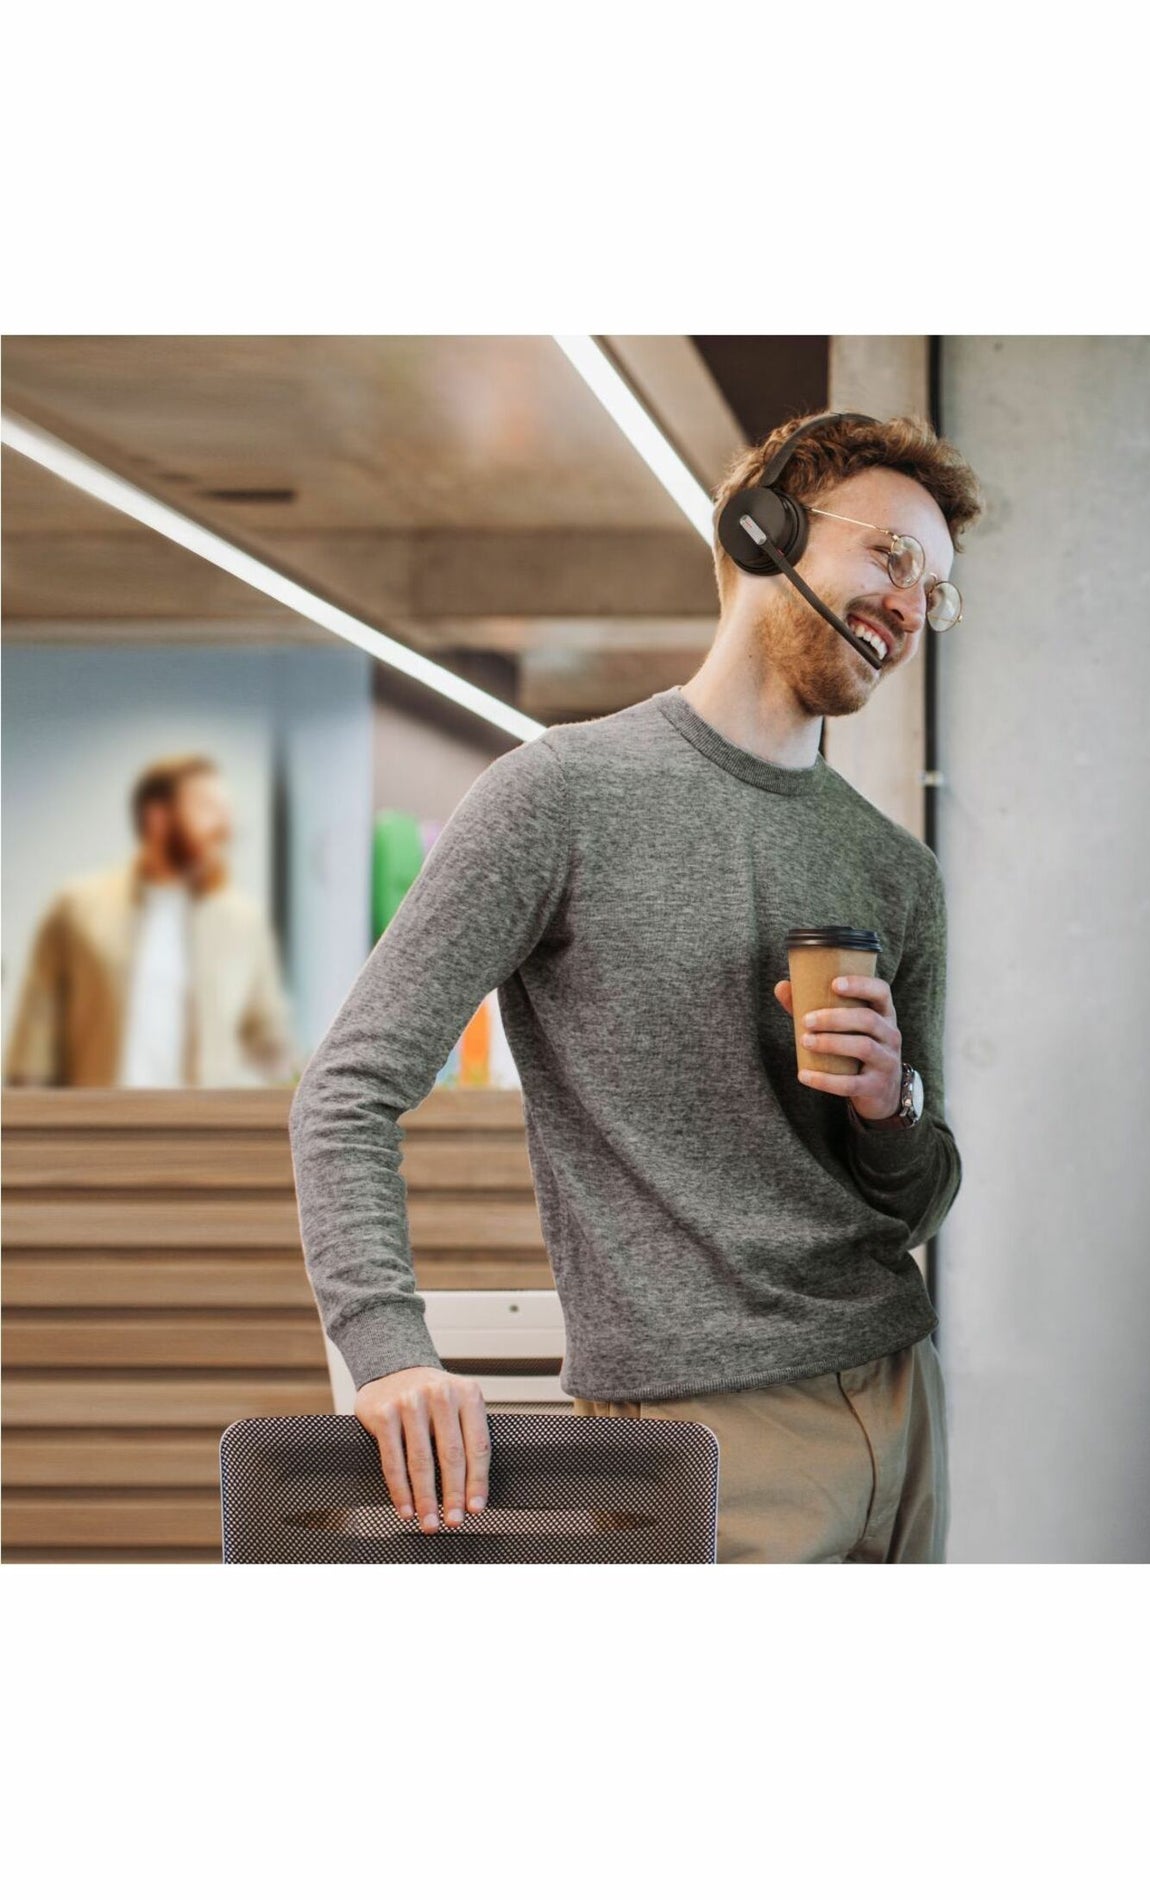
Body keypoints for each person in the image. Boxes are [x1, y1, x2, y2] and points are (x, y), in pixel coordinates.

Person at [290, 410, 984, 1562]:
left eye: (937, 592)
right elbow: (347, 1090)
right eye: (891, 557)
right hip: (701, 1430)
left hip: (904, 1405)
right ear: (764, 533)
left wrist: (888, 1106)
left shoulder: (896, 873)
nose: (911, 608)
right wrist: (388, 1347)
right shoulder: (559, 797)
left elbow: (918, 1199)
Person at [4, 753, 297, 1088]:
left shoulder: (244, 922)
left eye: (225, 811)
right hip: (97, 1130)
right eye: (207, 808)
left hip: (202, 1133)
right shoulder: (77, 908)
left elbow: (271, 1045)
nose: (225, 828)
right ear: (157, 818)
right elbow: (34, 1043)